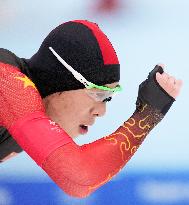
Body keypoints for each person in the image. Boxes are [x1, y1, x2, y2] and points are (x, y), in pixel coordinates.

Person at [0, 20, 182, 198]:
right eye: (98, 94)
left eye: (108, 98)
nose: (101, 111)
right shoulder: (6, 81)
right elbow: (78, 178)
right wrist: (147, 116)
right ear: (60, 81)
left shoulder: (24, 113)